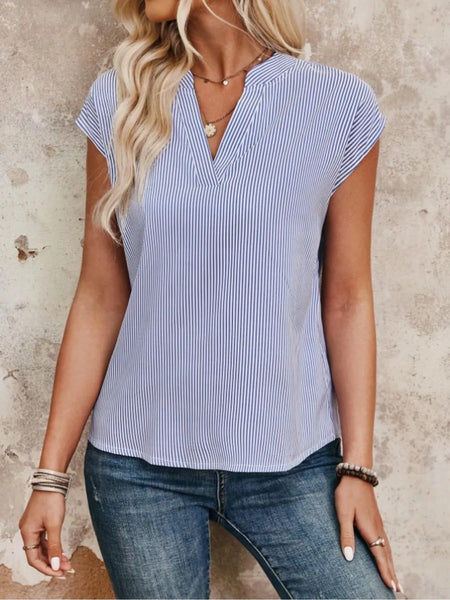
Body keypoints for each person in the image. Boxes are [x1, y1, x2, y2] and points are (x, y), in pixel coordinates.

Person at [18, 1, 402, 598]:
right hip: (138, 470)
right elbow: (99, 297)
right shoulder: (121, 99)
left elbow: (348, 298)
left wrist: (357, 468)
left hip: (293, 462)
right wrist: (50, 477)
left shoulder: (336, 104)